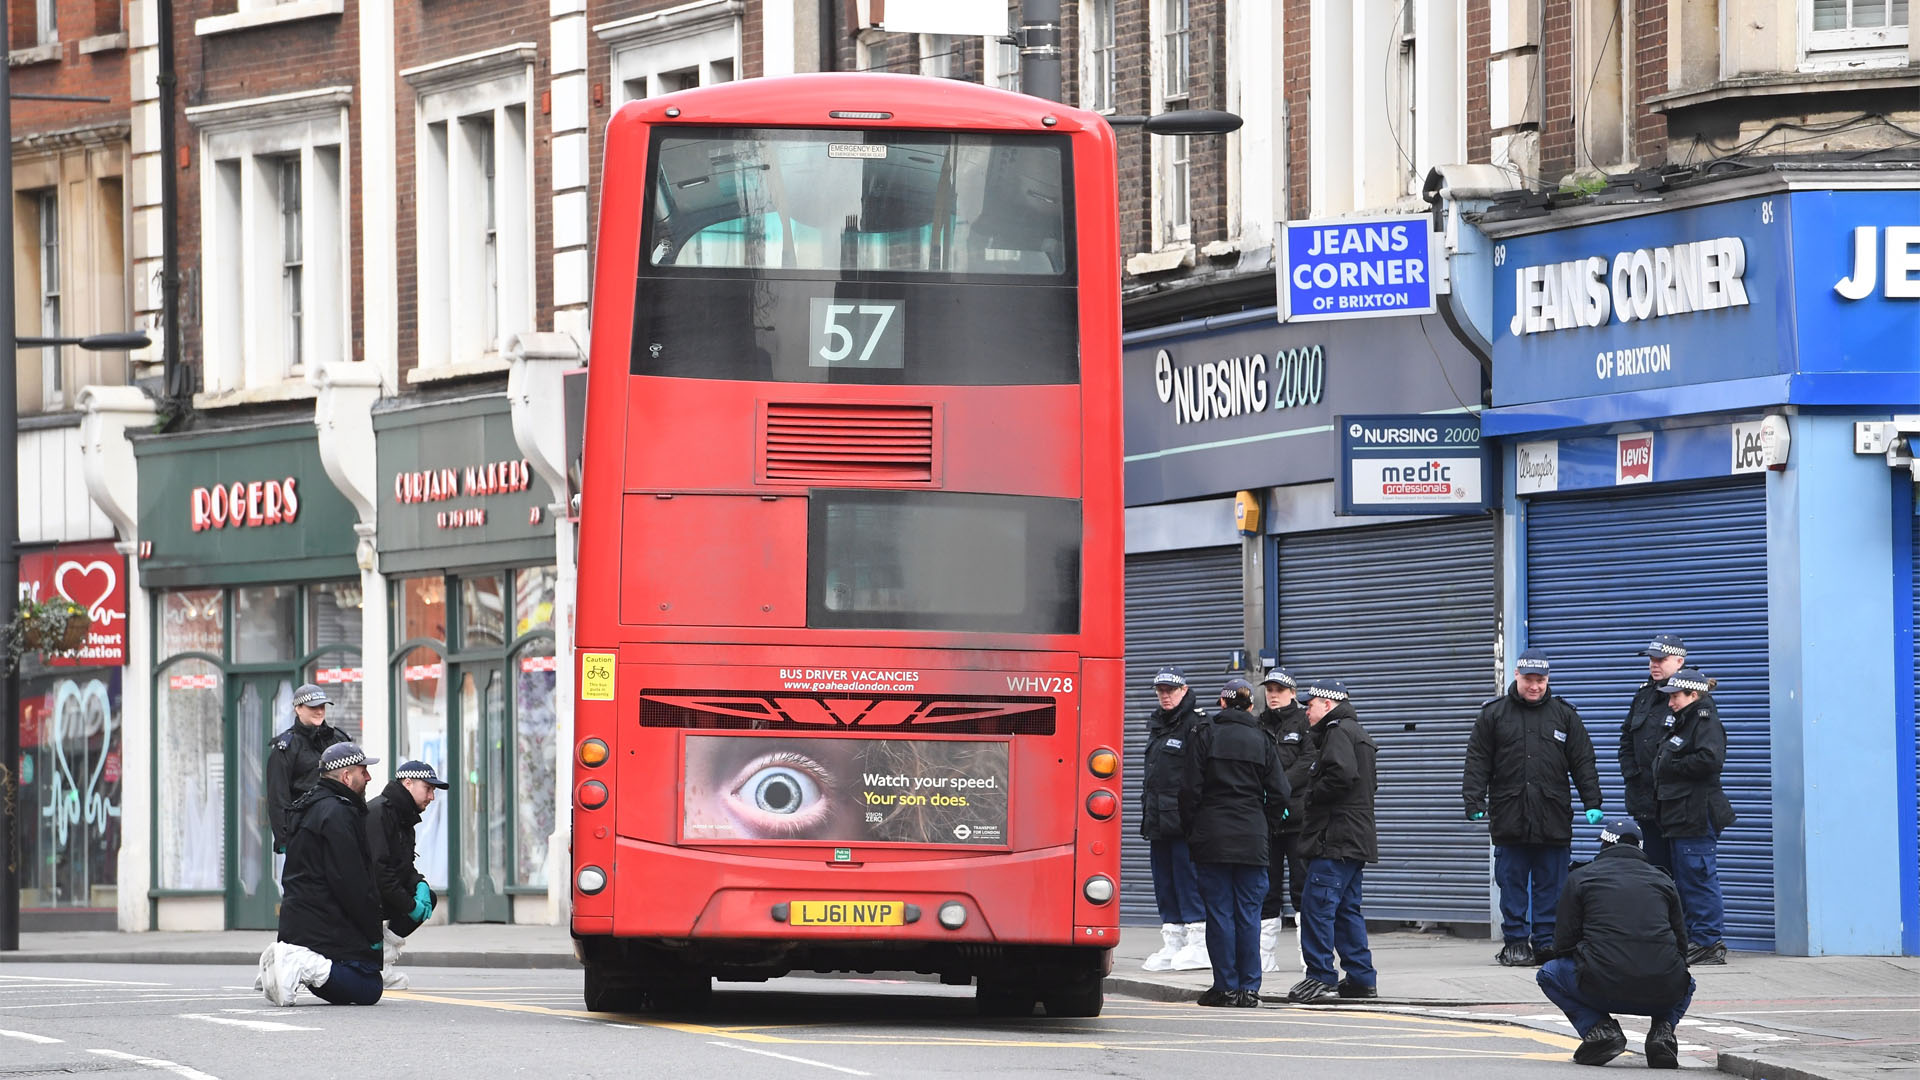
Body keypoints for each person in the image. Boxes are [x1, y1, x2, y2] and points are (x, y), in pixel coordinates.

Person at [1462, 648, 1604, 967]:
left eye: (1541, 680)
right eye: (1529, 680)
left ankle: (1545, 941)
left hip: (1552, 816)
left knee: (1551, 883)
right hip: (1510, 815)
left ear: (1547, 679)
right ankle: (1515, 941)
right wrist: (1473, 800)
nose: (1535, 686)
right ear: (1517, 676)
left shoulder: (1564, 715)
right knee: (1511, 882)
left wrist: (1592, 801)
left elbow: (1583, 762)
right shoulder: (1493, 714)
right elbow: (1477, 762)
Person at [1535, 819, 1696, 1068]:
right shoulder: (1664, 881)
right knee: (1686, 981)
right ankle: (1662, 1033)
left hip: (1600, 985)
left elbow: (1562, 944)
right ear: (1641, 848)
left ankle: (1600, 1030)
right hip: (1662, 991)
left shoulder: (1580, 877)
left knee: (1548, 973)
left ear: (1603, 845)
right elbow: (1681, 947)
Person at [1180, 678, 1290, 1008]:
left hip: (1212, 836)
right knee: (1249, 914)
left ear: (1222, 703)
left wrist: (1193, 829)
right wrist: (1267, 825)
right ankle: (1249, 988)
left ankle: (1225, 986)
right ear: (1251, 706)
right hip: (1252, 837)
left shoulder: (1204, 734)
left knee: (1219, 914)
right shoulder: (1263, 738)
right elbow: (1282, 794)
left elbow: (1188, 791)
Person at [258, 742, 388, 1006]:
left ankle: (291, 962)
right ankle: (297, 961)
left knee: (359, 979)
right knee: (369, 986)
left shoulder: (314, 804)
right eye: (363, 772)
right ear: (346, 776)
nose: (369, 778)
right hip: (323, 923)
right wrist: (373, 931)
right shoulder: (338, 813)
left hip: (303, 921)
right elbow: (351, 881)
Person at [1287, 680, 1379, 1004]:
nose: (1306, 711)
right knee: (1346, 911)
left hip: (1335, 839)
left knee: (1317, 908)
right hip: (1353, 839)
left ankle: (1320, 977)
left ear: (1327, 704)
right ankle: (1361, 978)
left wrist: (1312, 796)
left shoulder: (1337, 732)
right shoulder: (1358, 733)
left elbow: (1341, 774)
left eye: (1310, 705)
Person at [1654, 667, 1733, 966]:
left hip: (1696, 813)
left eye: (1675, 696)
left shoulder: (1705, 721)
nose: (1671, 702)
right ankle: (1693, 938)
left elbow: (1711, 760)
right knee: (1686, 881)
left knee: (1699, 878)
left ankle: (1708, 941)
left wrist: (1672, 767)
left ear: (1693, 694)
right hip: (1680, 815)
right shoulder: (1683, 722)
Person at [1139, 665, 1210, 972]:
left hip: (1184, 821)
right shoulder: (1159, 725)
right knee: (1164, 883)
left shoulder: (1196, 725)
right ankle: (1173, 942)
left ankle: (1198, 944)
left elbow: (1202, 774)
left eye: (1170, 690)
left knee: (1188, 882)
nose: (1165, 696)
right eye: (1160, 691)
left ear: (1184, 690)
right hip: (1158, 819)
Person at [366, 759, 448, 990]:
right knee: (415, 904)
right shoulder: (379, 813)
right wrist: (409, 904)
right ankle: (377, 960)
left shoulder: (404, 817)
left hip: (381, 891)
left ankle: (382, 957)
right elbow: (380, 871)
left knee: (428, 897)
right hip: (364, 897)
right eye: (428, 789)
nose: (432, 797)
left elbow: (403, 867)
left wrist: (419, 883)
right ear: (408, 782)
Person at [1256, 665, 1310, 971]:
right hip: (1268, 819)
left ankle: (1309, 957)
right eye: (1270, 690)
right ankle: (1264, 958)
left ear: (1292, 693)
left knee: (1302, 888)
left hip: (1299, 817)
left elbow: (1308, 762)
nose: (1273, 696)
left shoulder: (1304, 722)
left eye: (1279, 690)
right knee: (1267, 888)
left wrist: (1279, 789)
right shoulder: (1259, 723)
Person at [1620, 635, 1688, 872]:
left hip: (1678, 806)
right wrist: (1632, 775)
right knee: (1655, 871)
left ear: (1679, 662)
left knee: (1685, 875)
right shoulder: (1643, 695)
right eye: (1651, 659)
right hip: (1645, 802)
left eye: (1660, 659)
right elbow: (1626, 739)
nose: (1653, 664)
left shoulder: (1689, 696)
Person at [266, 683, 352, 858]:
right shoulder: (287, 748)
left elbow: (354, 781)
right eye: (313, 707)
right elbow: (278, 797)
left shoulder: (339, 739)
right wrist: (285, 840)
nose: (319, 711)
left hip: (340, 829)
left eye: (322, 706)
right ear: (298, 708)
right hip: (305, 834)